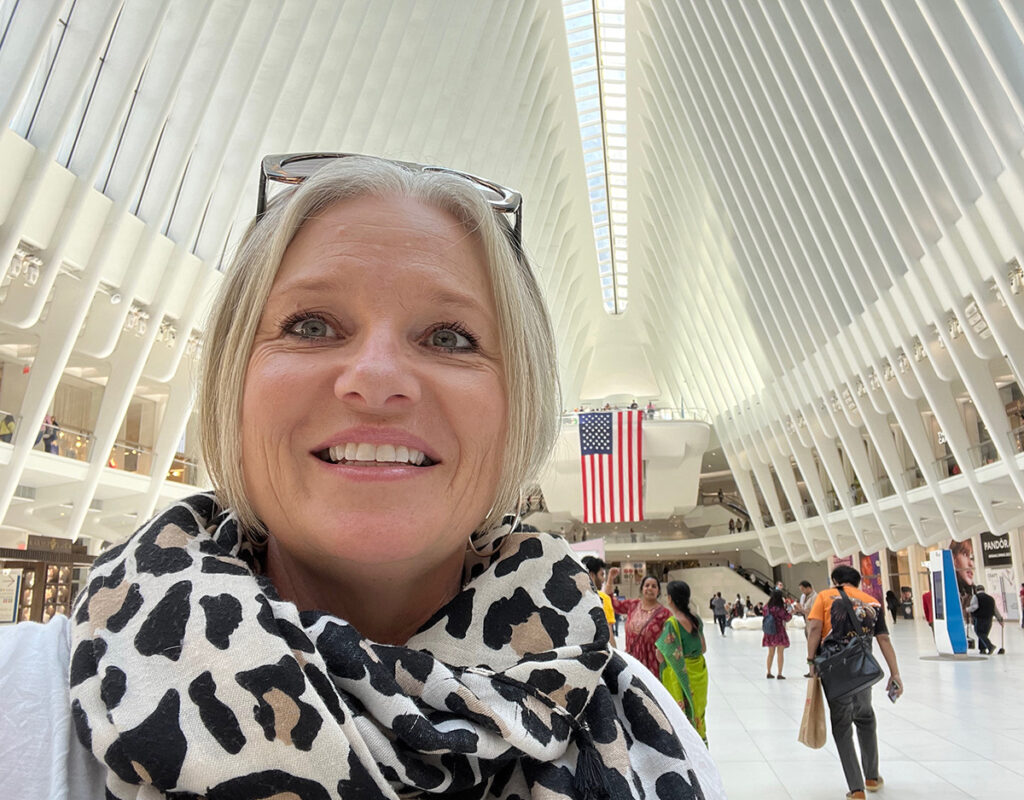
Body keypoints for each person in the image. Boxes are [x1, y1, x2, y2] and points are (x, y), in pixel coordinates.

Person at [0, 155, 720, 799]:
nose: (376, 380)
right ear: (232, 382)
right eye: (311, 325)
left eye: (449, 337)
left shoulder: (648, 736)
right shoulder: (23, 705)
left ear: (517, 411)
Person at [807, 565, 903, 800]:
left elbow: (815, 629)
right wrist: (895, 673)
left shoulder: (824, 596)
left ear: (835, 581)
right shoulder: (872, 601)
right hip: (862, 670)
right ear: (857, 583)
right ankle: (871, 776)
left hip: (835, 669)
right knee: (865, 716)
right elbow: (883, 639)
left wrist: (811, 661)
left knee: (842, 725)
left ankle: (857, 789)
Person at [657, 581, 709, 744]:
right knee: (698, 713)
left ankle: (686, 749)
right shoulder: (696, 620)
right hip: (699, 674)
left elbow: (660, 655)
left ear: (670, 599)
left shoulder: (672, 624)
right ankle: (700, 745)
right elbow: (703, 648)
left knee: (681, 715)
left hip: (681, 676)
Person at [606, 570, 671, 676]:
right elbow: (612, 603)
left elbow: (670, 641)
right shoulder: (633, 605)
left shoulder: (665, 614)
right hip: (632, 663)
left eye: (654, 586)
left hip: (653, 666)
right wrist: (610, 579)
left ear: (658, 591)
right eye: (647, 585)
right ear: (642, 589)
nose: (650, 588)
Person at [582, 556, 618, 648]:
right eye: (601, 575)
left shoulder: (574, 599)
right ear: (591, 575)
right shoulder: (603, 599)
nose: (603, 580)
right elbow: (608, 633)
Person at [762, 589, 791, 679]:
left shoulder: (766, 607)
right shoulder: (779, 608)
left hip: (769, 632)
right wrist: (790, 612)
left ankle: (769, 672)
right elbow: (786, 618)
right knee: (780, 653)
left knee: (770, 653)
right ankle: (779, 673)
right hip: (779, 631)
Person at [968, 585, 1003, 654]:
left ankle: (990, 646)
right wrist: (1000, 620)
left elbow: (974, 607)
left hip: (980, 619)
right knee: (984, 634)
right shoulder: (991, 598)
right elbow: (995, 610)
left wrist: (967, 609)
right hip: (989, 619)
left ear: (976, 590)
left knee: (979, 632)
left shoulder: (976, 596)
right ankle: (982, 649)